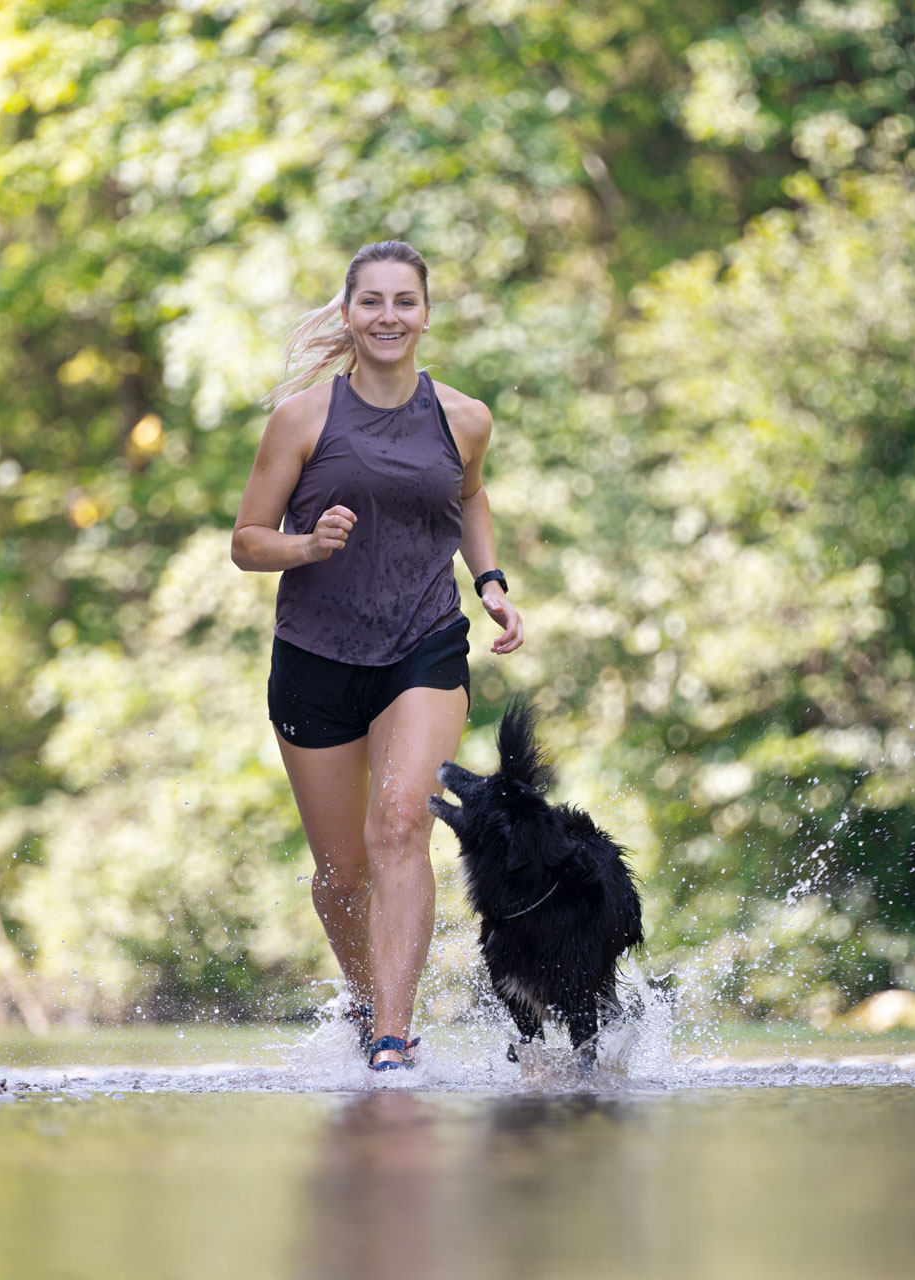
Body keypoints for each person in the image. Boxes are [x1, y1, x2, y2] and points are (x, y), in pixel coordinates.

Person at [231, 240, 523, 1071]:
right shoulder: (303, 419)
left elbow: (469, 497)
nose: (389, 316)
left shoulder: (464, 418)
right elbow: (247, 543)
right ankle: (366, 1005)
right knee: (342, 871)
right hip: (316, 658)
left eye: (404, 301)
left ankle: (394, 1040)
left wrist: (491, 581)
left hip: (423, 645)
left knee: (401, 825)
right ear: (350, 314)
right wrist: (307, 547)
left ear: (426, 314)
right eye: (372, 302)